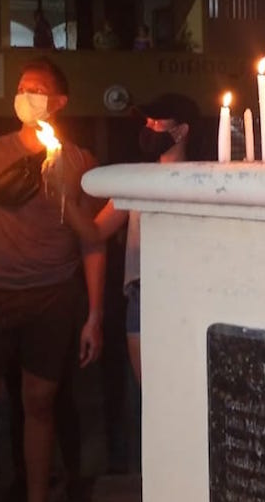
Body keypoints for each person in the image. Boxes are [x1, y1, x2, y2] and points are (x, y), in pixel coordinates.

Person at [0, 58, 105, 502]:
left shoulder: (79, 162)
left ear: (59, 102)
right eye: (21, 87)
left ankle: (37, 499)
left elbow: (93, 244)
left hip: (53, 298)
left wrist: (95, 316)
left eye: (37, 88)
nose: (26, 95)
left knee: (40, 404)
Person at [58, 93, 202, 388]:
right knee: (149, 393)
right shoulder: (136, 181)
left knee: (182, 389)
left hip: (185, 293)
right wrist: (63, 198)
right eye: (147, 120)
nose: (148, 125)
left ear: (181, 130)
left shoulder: (202, 182)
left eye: (157, 120)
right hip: (141, 293)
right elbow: (94, 232)